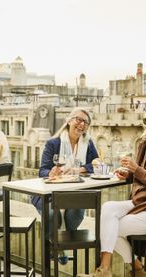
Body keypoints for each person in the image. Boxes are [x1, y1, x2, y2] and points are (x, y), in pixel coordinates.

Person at [79, 106, 146, 277]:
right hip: (139, 203)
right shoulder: (144, 145)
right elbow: (142, 175)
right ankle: (134, 268)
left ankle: (106, 270)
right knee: (107, 208)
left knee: (109, 227)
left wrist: (136, 170)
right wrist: (129, 175)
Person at [31, 107, 99, 265]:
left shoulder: (88, 144)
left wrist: (79, 169)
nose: (82, 124)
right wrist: (51, 172)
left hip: (74, 193)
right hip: (50, 194)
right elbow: (43, 170)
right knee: (51, 214)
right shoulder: (53, 143)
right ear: (69, 121)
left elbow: (96, 164)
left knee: (75, 214)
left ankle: (58, 242)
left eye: (86, 122)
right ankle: (57, 245)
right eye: (78, 119)